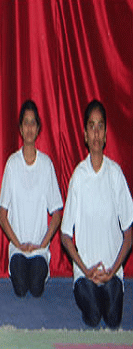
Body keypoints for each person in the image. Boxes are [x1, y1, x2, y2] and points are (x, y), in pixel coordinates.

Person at [60, 99, 132, 329]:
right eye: (92, 126)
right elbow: (65, 235)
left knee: (112, 321)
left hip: (111, 272)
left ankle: (110, 290)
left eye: (100, 126)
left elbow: (129, 233)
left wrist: (112, 271)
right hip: (85, 273)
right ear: (84, 134)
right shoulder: (78, 177)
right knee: (92, 317)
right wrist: (84, 268)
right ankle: (89, 291)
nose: (96, 133)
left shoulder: (115, 174)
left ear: (106, 133)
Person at [0, 100, 62, 298]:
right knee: (20, 289)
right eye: (26, 123)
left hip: (39, 249)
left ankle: (40, 264)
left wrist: (43, 244)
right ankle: (19, 262)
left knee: (35, 288)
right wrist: (17, 243)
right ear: (20, 128)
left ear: (39, 127)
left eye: (33, 123)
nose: (29, 128)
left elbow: (57, 213)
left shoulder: (46, 164)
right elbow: (2, 215)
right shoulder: (12, 164)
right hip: (18, 248)